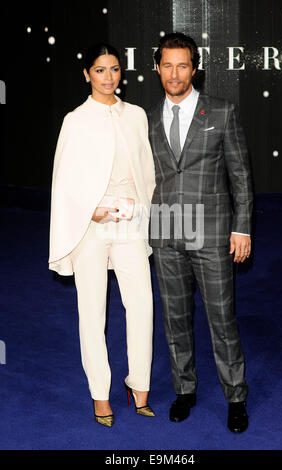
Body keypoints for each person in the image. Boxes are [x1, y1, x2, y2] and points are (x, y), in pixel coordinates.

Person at [148, 32, 253, 432]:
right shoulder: (147, 117)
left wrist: (242, 228)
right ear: (158, 68)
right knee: (175, 318)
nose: (175, 73)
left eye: (183, 65)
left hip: (211, 233)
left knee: (222, 319)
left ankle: (236, 395)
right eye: (168, 65)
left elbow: (240, 174)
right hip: (166, 232)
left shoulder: (222, 111)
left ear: (196, 68)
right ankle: (184, 390)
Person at [48, 43, 156, 427]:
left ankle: (139, 384)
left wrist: (144, 211)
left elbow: (147, 173)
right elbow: (64, 180)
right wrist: (87, 209)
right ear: (86, 75)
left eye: (113, 69)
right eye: (99, 70)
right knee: (92, 314)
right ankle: (100, 394)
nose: (108, 77)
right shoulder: (75, 120)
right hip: (91, 226)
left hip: (129, 224)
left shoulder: (137, 115)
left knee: (142, 304)